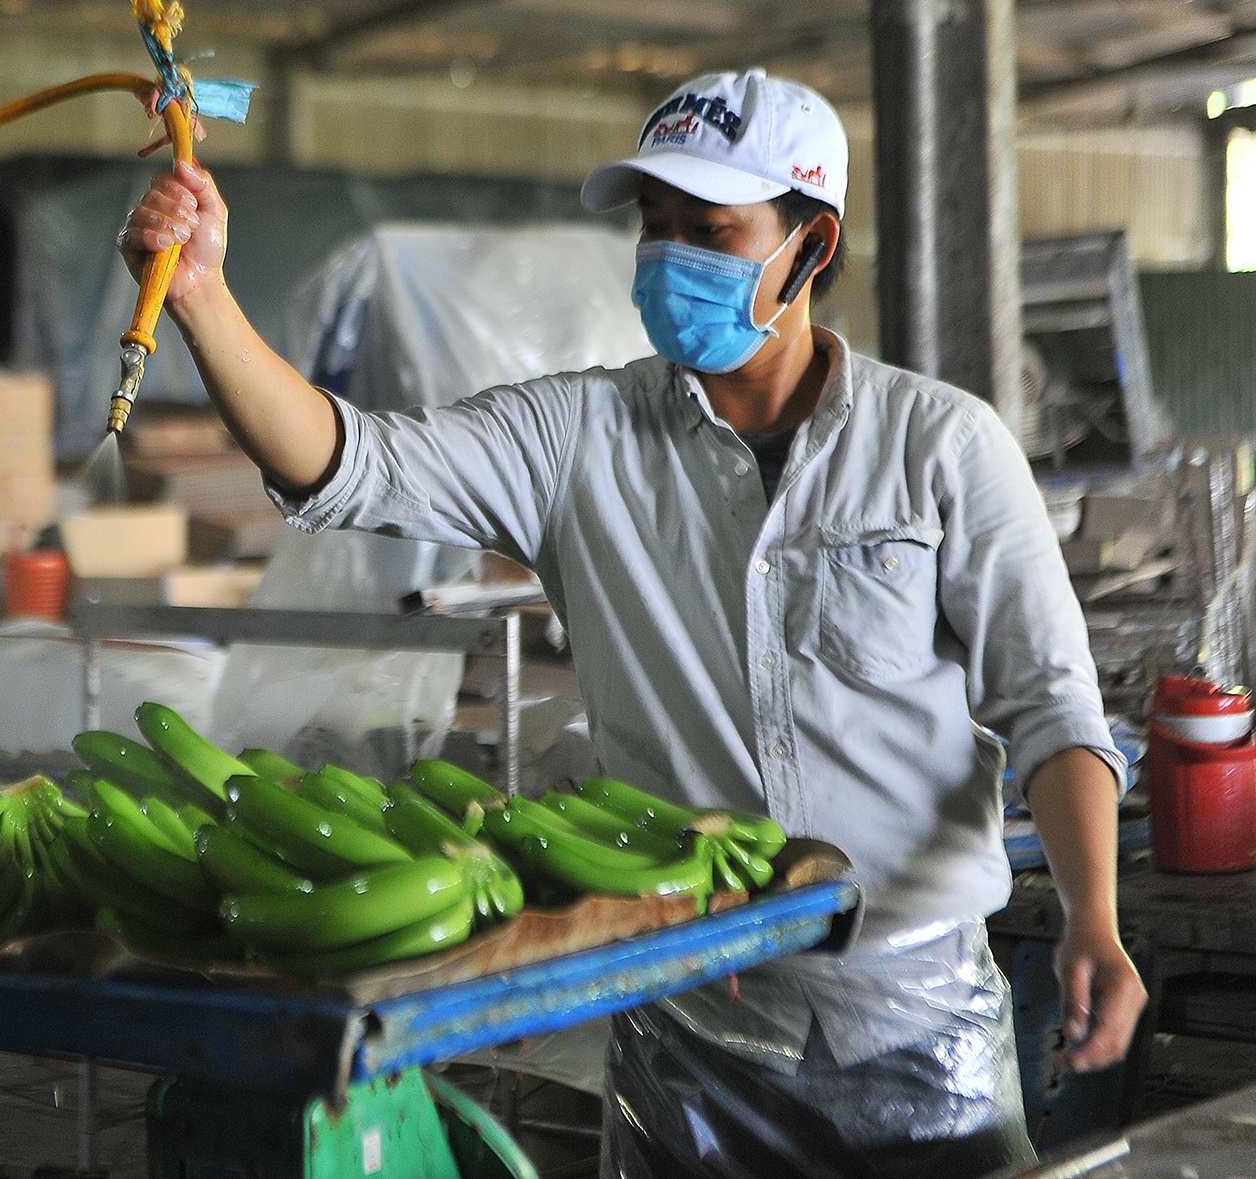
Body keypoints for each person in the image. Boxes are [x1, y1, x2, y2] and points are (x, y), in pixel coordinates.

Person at [118, 68, 1146, 1177]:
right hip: (687, 1031)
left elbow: (1050, 706)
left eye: (710, 230)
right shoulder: (578, 438)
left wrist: (1094, 912)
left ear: (808, 246)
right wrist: (203, 301)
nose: (669, 259)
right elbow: (348, 460)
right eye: (653, 228)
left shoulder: (940, 447)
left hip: (908, 1023)